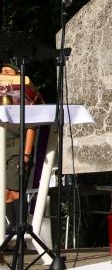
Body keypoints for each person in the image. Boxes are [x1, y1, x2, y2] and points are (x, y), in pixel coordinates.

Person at [1, 63, 42, 235]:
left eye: (8, 71)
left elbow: (31, 127)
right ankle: (15, 227)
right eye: (2, 71)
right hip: (3, 147)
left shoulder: (25, 98)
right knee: (5, 192)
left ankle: (21, 226)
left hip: (17, 147)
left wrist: (26, 154)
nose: (4, 74)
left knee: (15, 191)